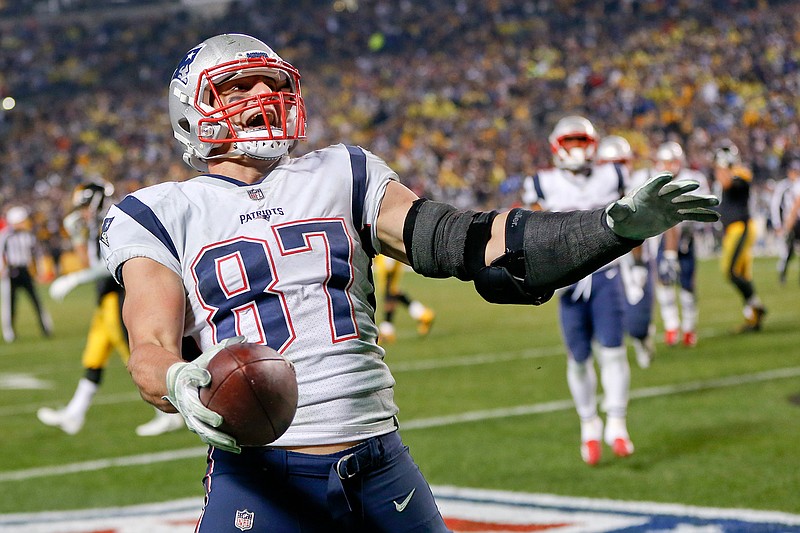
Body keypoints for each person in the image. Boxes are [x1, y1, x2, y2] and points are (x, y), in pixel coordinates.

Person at [99, 34, 718, 531]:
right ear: (192, 110)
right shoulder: (158, 210)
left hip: (377, 457)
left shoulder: (343, 170)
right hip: (258, 474)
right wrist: (180, 381)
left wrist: (611, 228)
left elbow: (467, 243)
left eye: (275, 82)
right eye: (240, 84)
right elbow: (150, 347)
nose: (263, 94)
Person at [524, 118, 640, 466]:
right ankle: (589, 423)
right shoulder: (542, 183)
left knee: (614, 351)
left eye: (581, 140)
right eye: (570, 141)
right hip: (568, 283)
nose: (576, 148)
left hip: (606, 276)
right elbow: (532, 230)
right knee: (578, 358)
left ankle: (617, 422)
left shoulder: (614, 175)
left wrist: (638, 267)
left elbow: (636, 218)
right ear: (558, 145)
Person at [37, 181, 184, 436]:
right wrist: (76, 238)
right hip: (104, 300)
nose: (83, 212)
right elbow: (88, 262)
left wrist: (75, 279)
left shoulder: (118, 220)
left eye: (85, 205)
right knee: (93, 358)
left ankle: (168, 410)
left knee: (138, 355)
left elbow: (108, 264)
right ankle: (75, 413)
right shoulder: (97, 225)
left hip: (118, 298)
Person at [597, 135, 656, 369]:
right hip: (606, 262)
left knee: (637, 317)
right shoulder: (595, 190)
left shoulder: (638, 184)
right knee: (605, 317)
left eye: (620, 163)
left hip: (635, 257)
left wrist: (641, 263)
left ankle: (642, 338)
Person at [650, 141, 711, 347]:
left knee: (687, 286)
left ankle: (689, 328)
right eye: (665, 161)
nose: (668, 165)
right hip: (662, 238)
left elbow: (702, 208)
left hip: (686, 240)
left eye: (672, 161)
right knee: (664, 282)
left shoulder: (695, 179)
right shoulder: (652, 180)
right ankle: (671, 326)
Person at [713, 141, 767, 332]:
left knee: (731, 271)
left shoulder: (739, 172)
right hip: (733, 229)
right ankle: (753, 317)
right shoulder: (729, 174)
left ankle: (756, 306)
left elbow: (728, 182)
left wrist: (722, 167)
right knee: (742, 274)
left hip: (741, 228)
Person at [0, 205, 53, 342]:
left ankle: (46, 327)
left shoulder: (29, 235)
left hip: (25, 270)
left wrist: (39, 272)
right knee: (10, 304)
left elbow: (36, 254)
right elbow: (1, 255)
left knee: (36, 300)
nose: (25, 222)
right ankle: (9, 333)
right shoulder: (5, 236)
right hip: (10, 272)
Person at [374, 254, 435, 344]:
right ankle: (423, 314)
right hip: (386, 258)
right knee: (391, 292)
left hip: (387, 257)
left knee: (389, 293)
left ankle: (387, 331)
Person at [771, 159, 800, 284]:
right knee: (788, 250)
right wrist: (778, 224)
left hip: (794, 221)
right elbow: (776, 205)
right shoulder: (783, 186)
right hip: (791, 221)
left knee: (790, 249)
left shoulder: (797, 184)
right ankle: (782, 274)